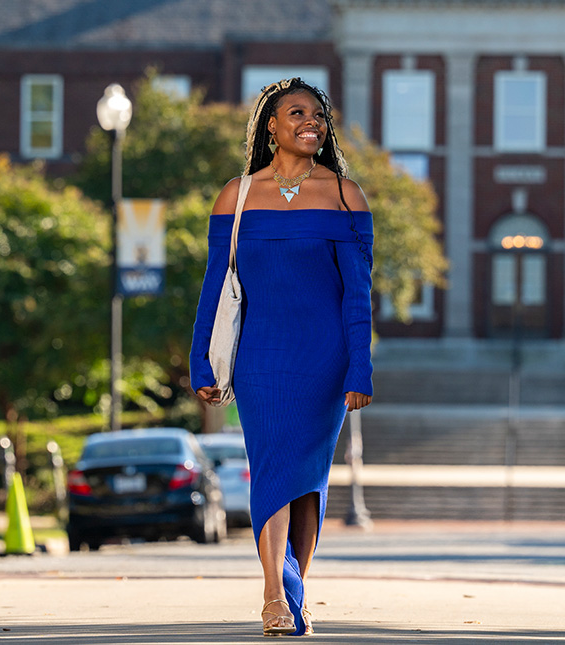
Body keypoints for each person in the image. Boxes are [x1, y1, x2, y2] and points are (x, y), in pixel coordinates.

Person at [189, 77, 374, 637]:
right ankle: (275, 593)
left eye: (318, 115)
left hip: (324, 358)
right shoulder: (237, 195)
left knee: (306, 479)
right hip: (259, 357)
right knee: (272, 470)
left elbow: (358, 295)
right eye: (297, 113)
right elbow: (214, 287)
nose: (310, 122)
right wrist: (203, 361)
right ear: (271, 126)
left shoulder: (346, 195)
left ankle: (296, 587)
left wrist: (359, 366)